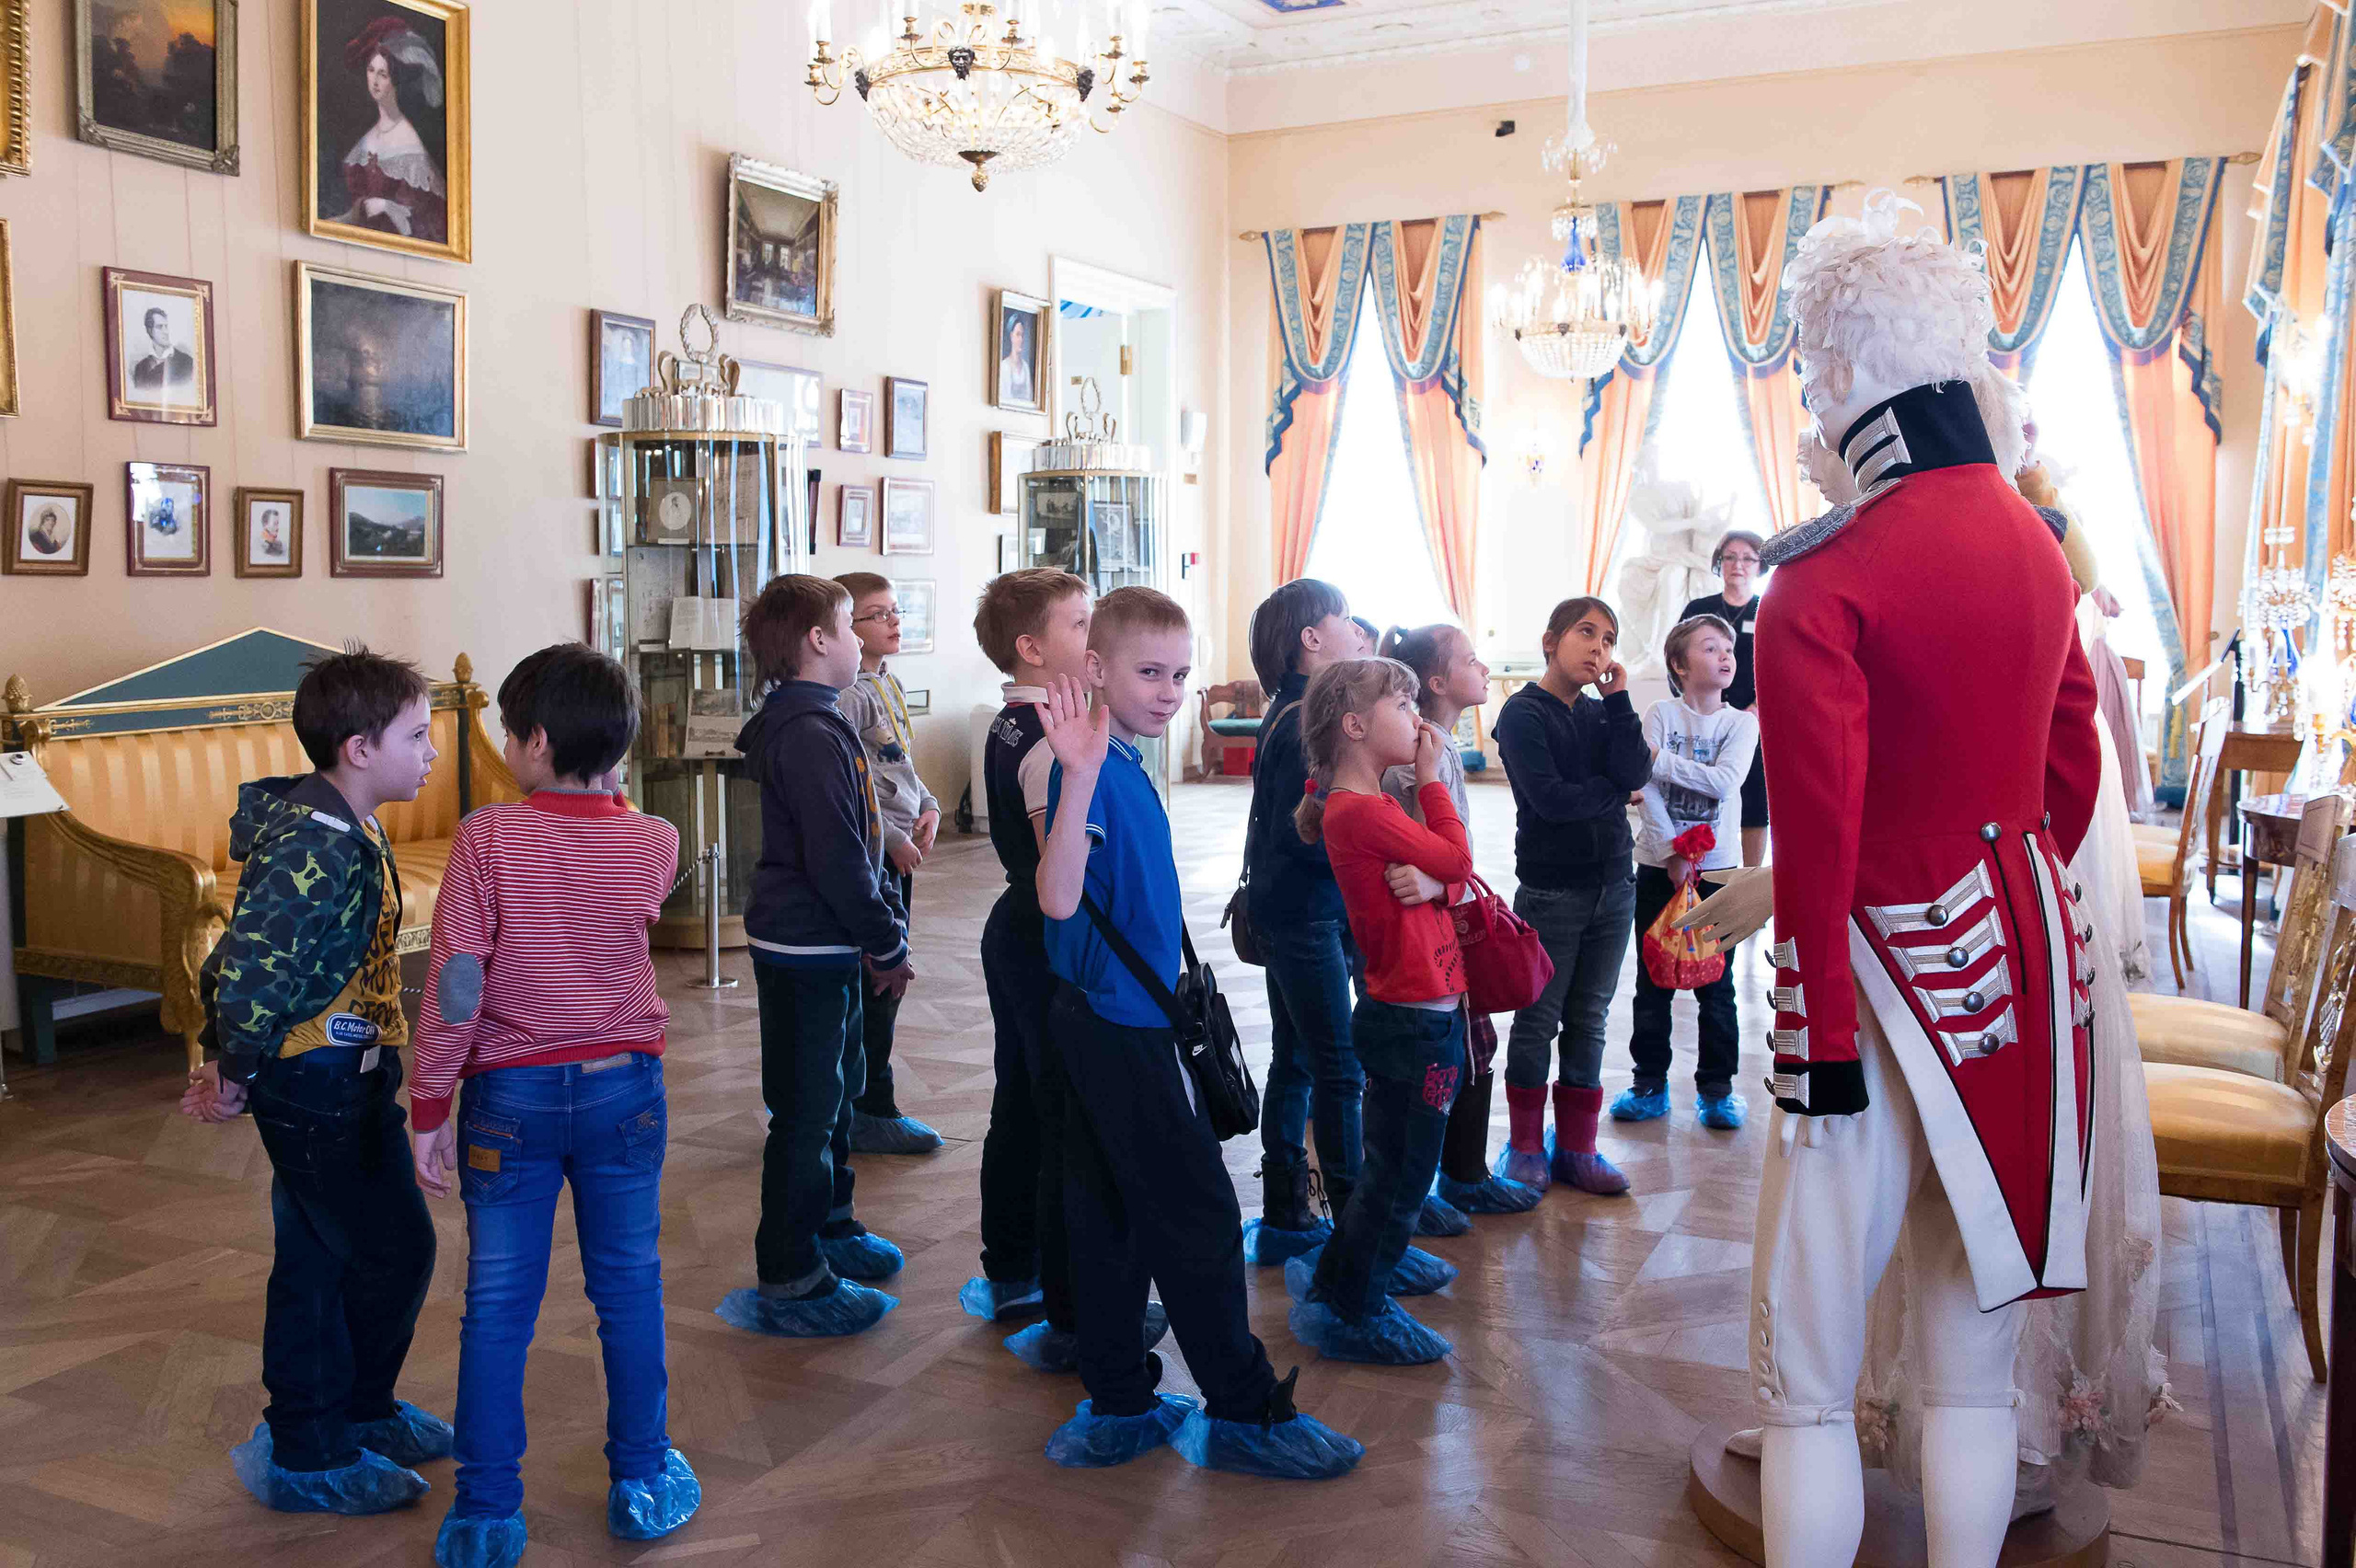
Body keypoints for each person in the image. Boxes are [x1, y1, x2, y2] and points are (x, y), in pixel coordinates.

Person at [1032, 587, 1361, 1479]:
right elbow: (1056, 896)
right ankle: (1245, 1408)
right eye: (1149, 672)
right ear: (1095, 670)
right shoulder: (1088, 765)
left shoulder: (1123, 760)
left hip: (1114, 1018)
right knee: (1199, 1214)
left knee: (1106, 1213)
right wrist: (1080, 775)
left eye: (1180, 673)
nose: (1172, 691)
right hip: (1118, 1026)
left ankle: (1118, 1394)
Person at [407, 645, 699, 1567]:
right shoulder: (656, 840)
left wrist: (428, 1105)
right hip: (625, 1087)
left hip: (508, 1098)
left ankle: (487, 1512)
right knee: (629, 1288)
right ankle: (643, 1481)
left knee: (496, 1306)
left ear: (535, 742)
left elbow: (458, 980)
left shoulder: (488, 837)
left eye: (508, 734)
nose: (503, 749)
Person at [178, 648, 449, 1516]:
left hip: (354, 1076)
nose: (432, 753)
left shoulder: (352, 824)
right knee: (325, 1263)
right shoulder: (312, 839)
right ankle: (307, 1447)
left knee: (394, 1247)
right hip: (310, 1085)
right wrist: (233, 1074)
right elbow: (248, 973)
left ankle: (360, 1412)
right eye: (417, 736)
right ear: (360, 749)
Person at [966, 569, 1172, 1371]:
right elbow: (1071, 874)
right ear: (1031, 648)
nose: (1096, 636)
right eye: (1083, 624)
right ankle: (1073, 1307)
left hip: (1022, 932)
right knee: (1059, 1121)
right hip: (1049, 940)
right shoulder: (1045, 742)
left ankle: (1018, 1268)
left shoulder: (1016, 724)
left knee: (1025, 1103)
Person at [717, 575, 913, 1338]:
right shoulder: (808, 734)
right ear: (818, 643)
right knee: (806, 1110)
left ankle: (832, 1222)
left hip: (816, 942)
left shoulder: (815, 721)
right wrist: (886, 940)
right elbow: (838, 860)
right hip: (810, 944)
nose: (862, 639)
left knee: (833, 1090)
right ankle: (792, 1270)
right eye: (848, 626)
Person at [1281, 658, 1472, 1366]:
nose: (1418, 718)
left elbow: (1445, 876)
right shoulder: (1361, 810)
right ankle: (1360, 1309)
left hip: (1419, 1011)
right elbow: (1456, 856)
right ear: (1356, 726)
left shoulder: (1366, 807)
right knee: (1402, 1179)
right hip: (1415, 1022)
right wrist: (1430, 775)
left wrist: (1436, 877)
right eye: (1403, 703)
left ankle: (1341, 1282)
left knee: (1392, 1167)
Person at [1378, 623, 1540, 1221]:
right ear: (1439, 682)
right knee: (1458, 1054)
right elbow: (1416, 846)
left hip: (1442, 915)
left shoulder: (1435, 743)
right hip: (1431, 932)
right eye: (1472, 660)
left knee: (1470, 1048)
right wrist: (1442, 884)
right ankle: (1457, 1180)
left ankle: (1457, 1174)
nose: (1485, 666)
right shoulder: (1423, 754)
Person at [1490, 596, 1650, 1196]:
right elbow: (1552, 802)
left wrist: (1620, 700)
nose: (1599, 649)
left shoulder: (1600, 711)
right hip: (1553, 890)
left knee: (1591, 1018)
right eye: (1587, 633)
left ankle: (1577, 1148)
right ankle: (1526, 1145)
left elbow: (1633, 771)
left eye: (1608, 639)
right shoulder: (1521, 714)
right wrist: (1617, 793)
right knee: (1538, 1021)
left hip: (1616, 885)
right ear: (1550, 640)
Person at [1242, 578, 1367, 1262]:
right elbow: (1300, 834)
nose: (1354, 628)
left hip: (1290, 909)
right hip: (1307, 915)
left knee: (1294, 1060)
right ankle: (1353, 1230)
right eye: (1343, 618)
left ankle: (1286, 1212)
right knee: (1338, 1070)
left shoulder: (1294, 708)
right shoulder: (1304, 720)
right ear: (1311, 639)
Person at [1616, 614, 1757, 1131]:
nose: (1725, 655)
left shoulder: (1742, 723)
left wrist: (1659, 762)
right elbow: (1643, 787)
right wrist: (1672, 851)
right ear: (1678, 663)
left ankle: (1716, 1089)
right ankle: (1648, 1083)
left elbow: (1724, 784)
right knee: (1653, 979)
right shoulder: (1658, 713)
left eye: (1728, 649)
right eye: (1709, 647)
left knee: (1716, 987)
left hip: (1718, 872)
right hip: (1659, 867)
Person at [835, 571, 945, 1156]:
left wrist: (928, 804)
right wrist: (894, 837)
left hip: (900, 847)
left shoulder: (887, 683)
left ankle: (872, 1098)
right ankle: (870, 1104)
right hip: (878, 854)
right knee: (879, 977)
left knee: (891, 972)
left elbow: (900, 764)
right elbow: (858, 787)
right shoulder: (850, 694)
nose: (894, 622)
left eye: (895, 611)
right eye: (878, 615)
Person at [1680, 532, 1769, 867]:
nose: (1738, 565)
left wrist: (1757, 710)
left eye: (1748, 558)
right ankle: (1699, 874)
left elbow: (1783, 664)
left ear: (1760, 565)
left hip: (1754, 721)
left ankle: (1748, 882)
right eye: (1730, 557)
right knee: (1700, 795)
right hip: (1705, 718)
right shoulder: (1699, 610)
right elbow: (1677, 657)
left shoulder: (1768, 607)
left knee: (1754, 800)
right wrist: (1699, 705)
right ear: (1719, 563)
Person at [332, 17, 449, 244]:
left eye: (383, 74)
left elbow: (430, 224)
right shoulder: (368, 138)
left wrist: (387, 206)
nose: (374, 81)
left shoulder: (407, 140)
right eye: (370, 70)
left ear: (394, 80)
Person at [129, 305, 196, 395]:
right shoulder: (140, 368)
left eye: (166, 326)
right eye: (160, 327)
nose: (166, 332)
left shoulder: (186, 362)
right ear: (150, 331)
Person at [1000, 315, 1035, 406]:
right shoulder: (1004, 366)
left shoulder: (1025, 367)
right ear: (1012, 336)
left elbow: (1029, 397)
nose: (1021, 339)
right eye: (1018, 334)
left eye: (1022, 335)